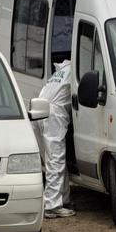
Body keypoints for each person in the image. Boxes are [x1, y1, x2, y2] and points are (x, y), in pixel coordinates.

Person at [37, 60, 74, 218]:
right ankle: (52, 205)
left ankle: (63, 198)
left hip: (40, 109)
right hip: (54, 114)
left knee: (54, 159)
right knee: (56, 160)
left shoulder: (60, 72)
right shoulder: (75, 69)